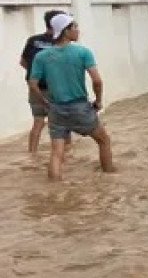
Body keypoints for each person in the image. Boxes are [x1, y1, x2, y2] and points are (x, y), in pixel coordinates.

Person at [27, 14, 115, 181]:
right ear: (65, 31)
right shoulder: (83, 52)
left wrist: (44, 102)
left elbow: (33, 84)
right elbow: (97, 81)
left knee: (56, 152)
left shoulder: (42, 56)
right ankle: (110, 177)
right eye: (74, 27)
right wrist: (98, 101)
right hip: (80, 107)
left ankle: (54, 189)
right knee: (104, 141)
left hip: (56, 110)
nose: (77, 30)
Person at [19, 9, 66, 153]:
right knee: (62, 124)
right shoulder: (60, 43)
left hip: (35, 87)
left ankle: (32, 154)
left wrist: (36, 75)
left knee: (38, 122)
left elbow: (23, 62)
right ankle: (65, 155)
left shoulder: (33, 40)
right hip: (55, 88)